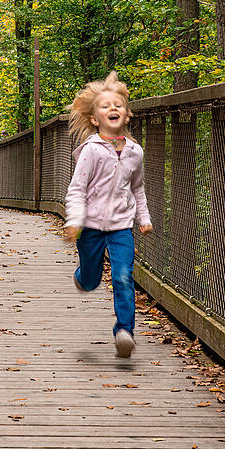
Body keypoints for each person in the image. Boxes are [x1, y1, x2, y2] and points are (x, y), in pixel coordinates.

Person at [63, 71, 153, 358]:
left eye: (118, 105)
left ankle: (124, 331)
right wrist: (75, 220)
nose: (112, 109)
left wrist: (144, 217)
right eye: (105, 106)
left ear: (126, 115)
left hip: (120, 227)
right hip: (90, 227)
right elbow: (77, 190)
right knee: (90, 281)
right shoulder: (91, 151)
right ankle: (83, 276)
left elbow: (137, 187)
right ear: (94, 118)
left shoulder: (135, 152)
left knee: (124, 276)